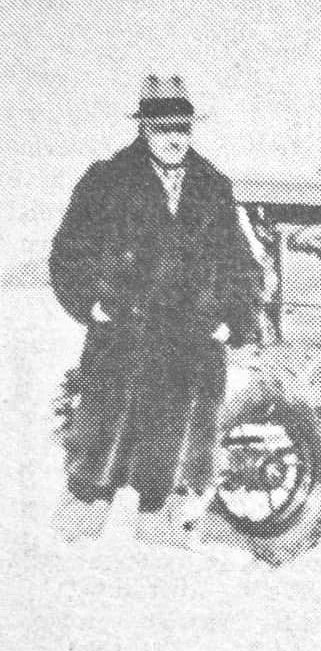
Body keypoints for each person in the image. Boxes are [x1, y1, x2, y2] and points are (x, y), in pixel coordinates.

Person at [49, 75, 263, 526]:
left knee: (177, 460)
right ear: (143, 128)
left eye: (182, 127)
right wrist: (92, 305)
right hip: (127, 332)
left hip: (193, 339)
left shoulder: (214, 186)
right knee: (100, 454)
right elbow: (68, 252)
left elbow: (242, 262)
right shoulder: (106, 180)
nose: (173, 138)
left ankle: (162, 529)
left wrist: (234, 319)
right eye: (162, 127)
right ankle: (81, 528)